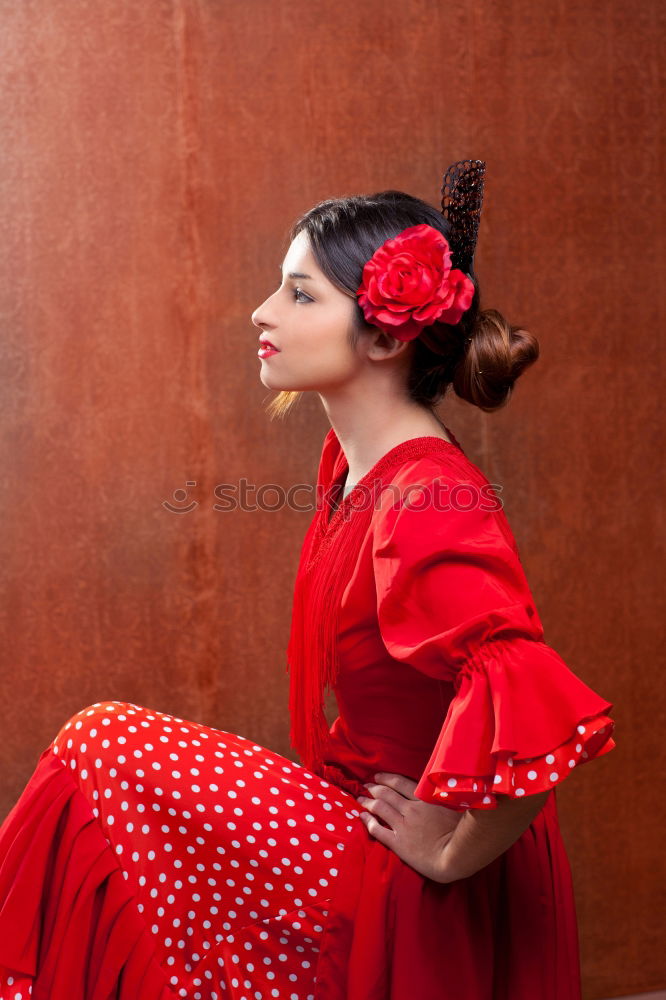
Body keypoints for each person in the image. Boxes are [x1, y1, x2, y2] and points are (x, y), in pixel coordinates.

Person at [0, 160, 615, 1000]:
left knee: (103, 747)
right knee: (110, 789)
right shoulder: (352, 469)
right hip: (348, 816)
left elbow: (535, 713)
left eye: (300, 295)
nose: (261, 312)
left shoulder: (427, 497)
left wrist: (449, 848)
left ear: (387, 337)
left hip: (417, 869)